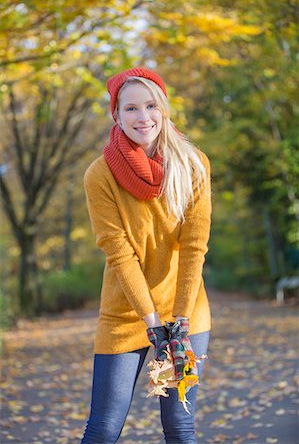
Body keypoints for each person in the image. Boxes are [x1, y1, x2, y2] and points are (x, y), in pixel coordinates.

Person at [80, 67, 212, 444]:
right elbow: (120, 253)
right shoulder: (100, 175)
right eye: (131, 108)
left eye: (150, 105)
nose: (143, 117)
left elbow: (193, 247)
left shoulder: (193, 165)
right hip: (126, 313)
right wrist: (151, 321)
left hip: (184, 314)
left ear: (163, 109)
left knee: (179, 427)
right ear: (116, 115)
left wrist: (180, 320)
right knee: (103, 429)